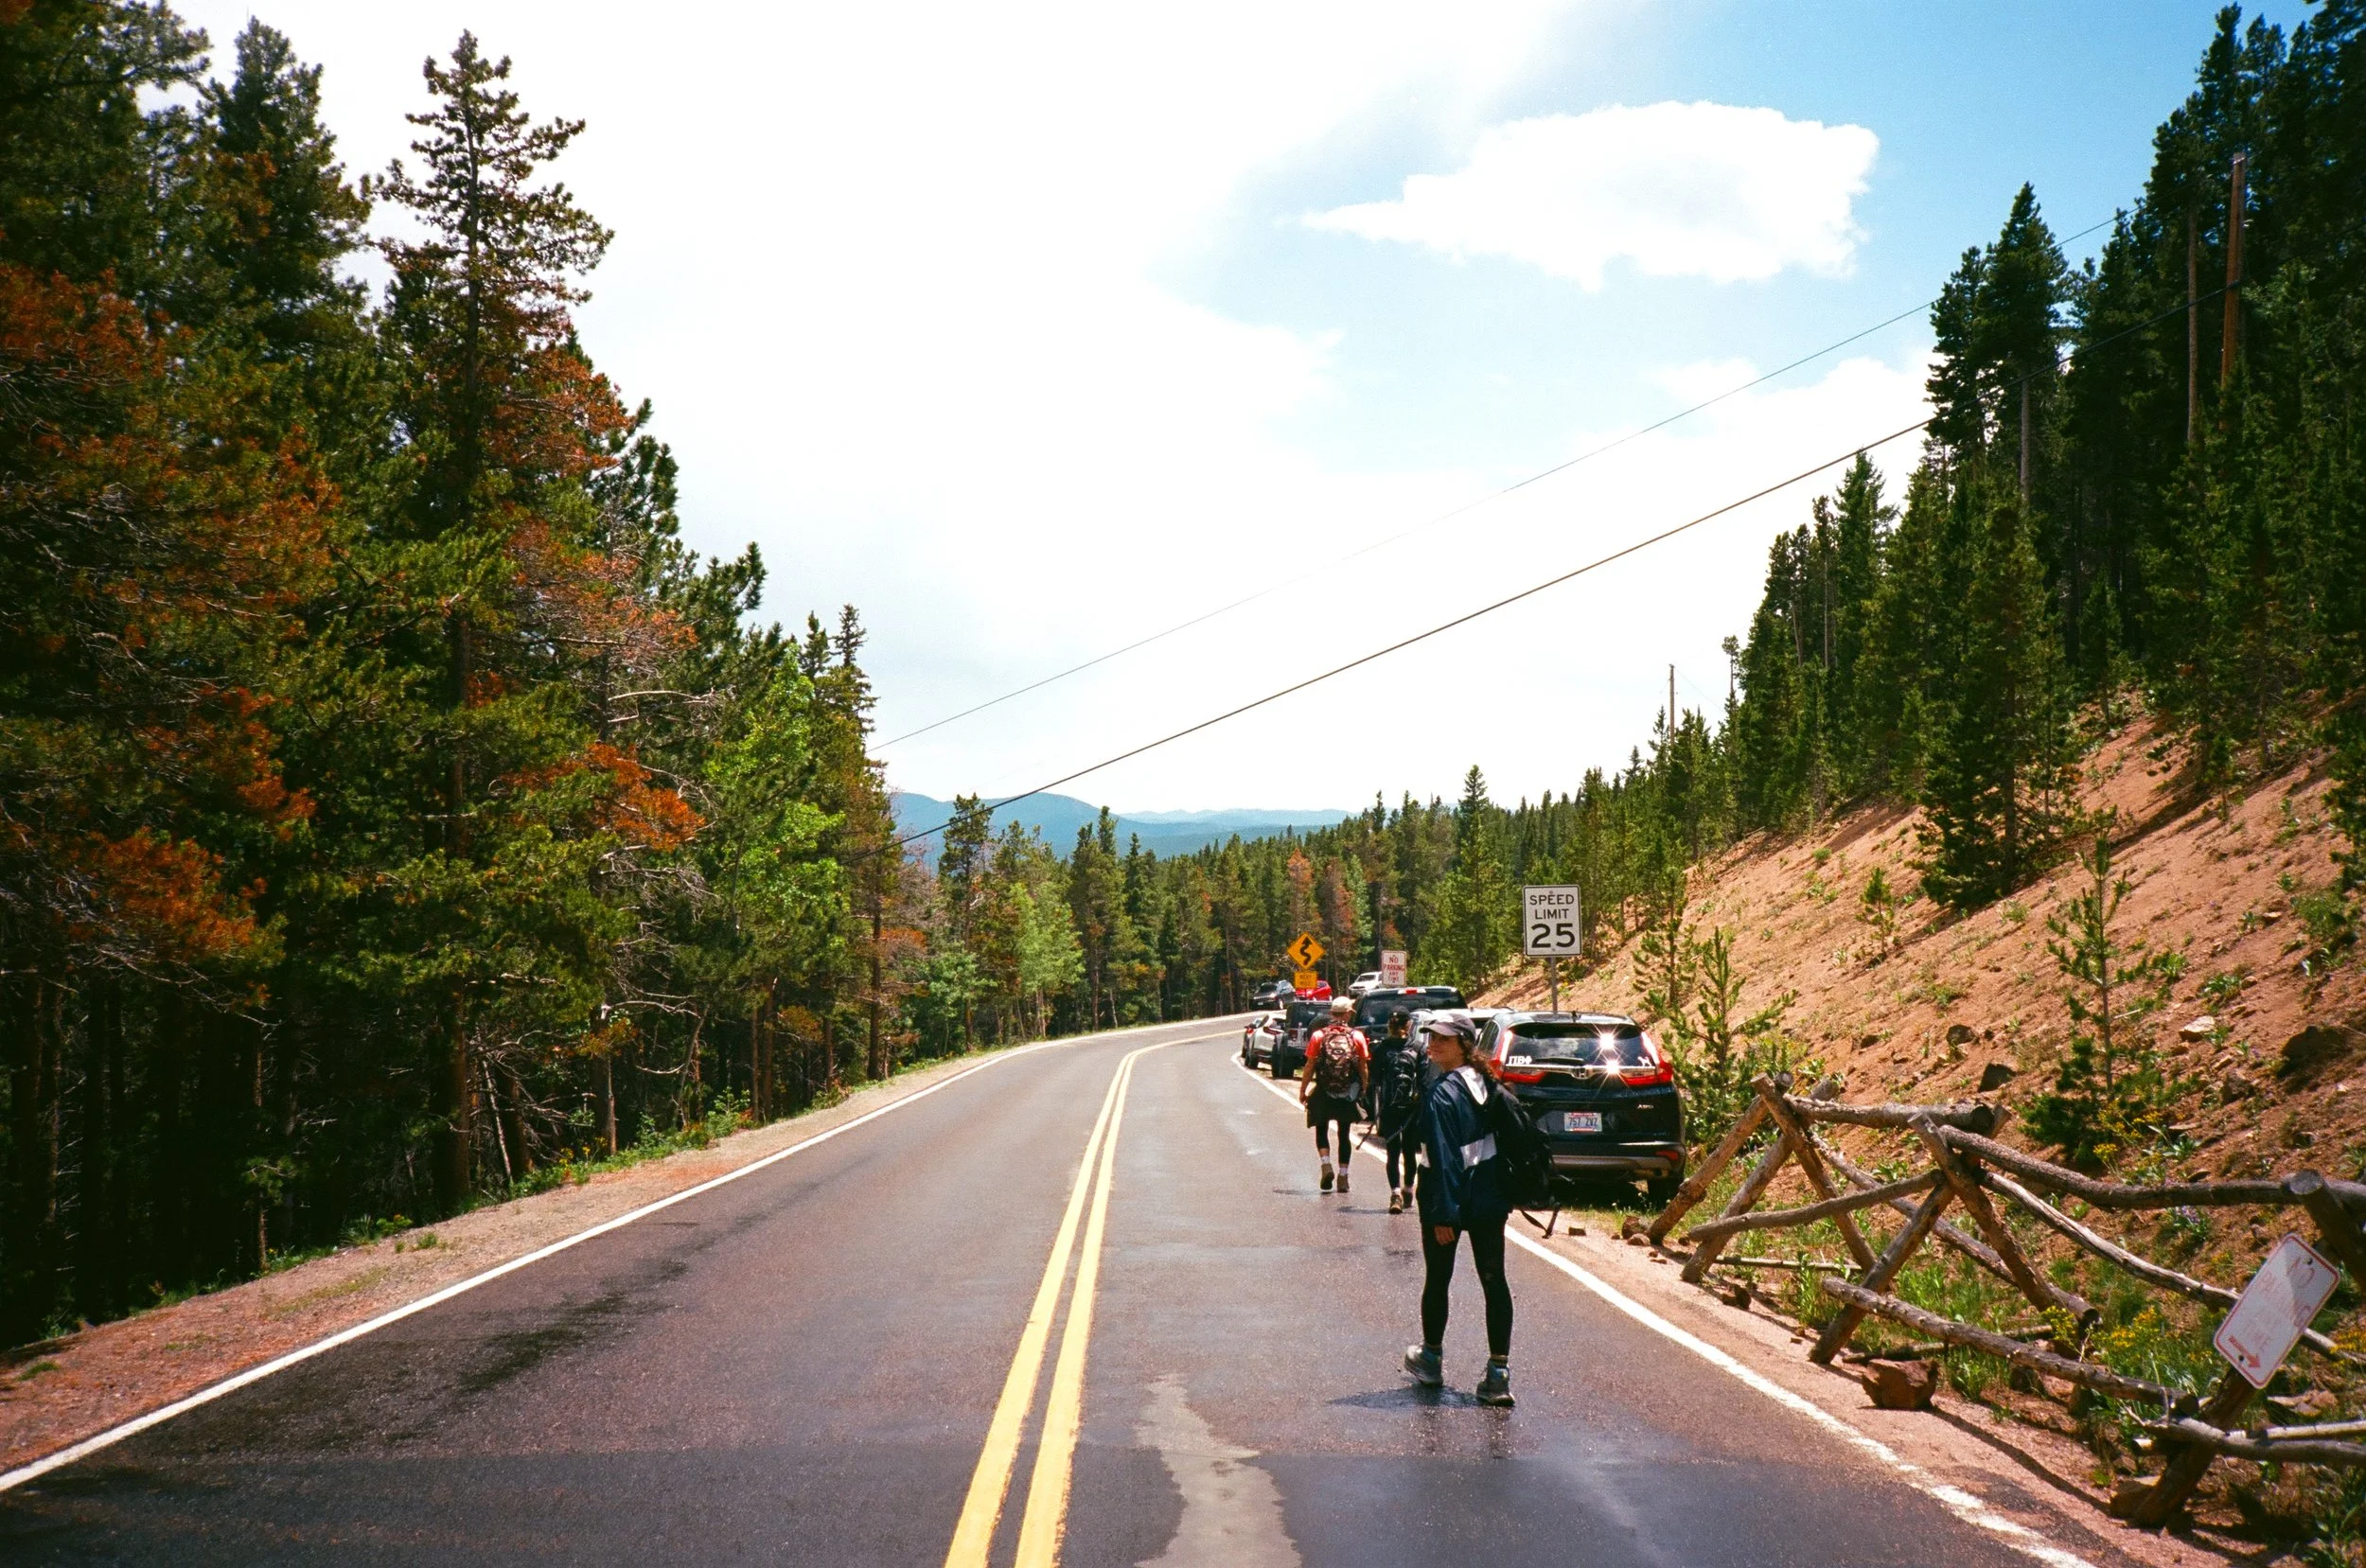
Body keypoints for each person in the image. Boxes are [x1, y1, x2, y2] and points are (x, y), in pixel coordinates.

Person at [1404, 1014, 1514, 1407]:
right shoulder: (1488, 1083)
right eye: (1431, 1036)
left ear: (1464, 1044)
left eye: (1444, 1039)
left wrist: (1444, 1213)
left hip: (1448, 1198)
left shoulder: (1441, 1093)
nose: (1433, 1043)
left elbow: (1444, 1155)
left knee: (1438, 1278)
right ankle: (1498, 1374)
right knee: (1493, 1279)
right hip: (1489, 1198)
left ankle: (1431, 1357)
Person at [1298, 995, 1368, 1194]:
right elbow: (1363, 1065)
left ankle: (1326, 1165)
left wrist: (1303, 1090)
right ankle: (1343, 1176)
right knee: (1344, 1134)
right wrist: (1363, 1086)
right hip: (1346, 1092)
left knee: (1321, 1128)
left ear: (1331, 1014)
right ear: (1347, 1014)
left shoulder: (1319, 1036)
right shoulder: (1357, 1036)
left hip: (1324, 1089)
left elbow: (1310, 1065)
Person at [1371, 1011, 1426, 1214]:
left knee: (1393, 1152)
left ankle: (1395, 1194)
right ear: (1410, 1024)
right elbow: (1424, 1080)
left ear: (1390, 1025)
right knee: (1410, 1151)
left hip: (1390, 1108)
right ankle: (1408, 1189)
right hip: (1412, 1109)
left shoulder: (1382, 1048)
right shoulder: (1418, 1048)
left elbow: (1375, 1078)